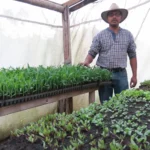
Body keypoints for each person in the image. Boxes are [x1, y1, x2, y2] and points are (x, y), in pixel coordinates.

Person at [80, 3, 137, 104]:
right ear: (107, 18)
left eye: (117, 14)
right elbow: (92, 52)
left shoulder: (127, 35)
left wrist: (134, 75)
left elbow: (132, 55)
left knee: (124, 103)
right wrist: (86, 61)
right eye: (111, 15)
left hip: (121, 74)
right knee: (105, 104)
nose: (114, 17)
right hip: (104, 74)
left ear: (120, 17)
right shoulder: (100, 36)